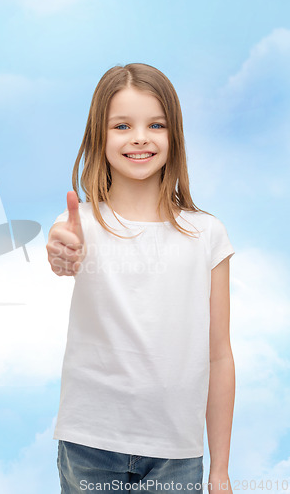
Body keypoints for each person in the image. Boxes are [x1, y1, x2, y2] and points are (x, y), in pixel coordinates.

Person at [46, 63, 236, 494]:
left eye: (156, 124)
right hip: (88, 443)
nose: (139, 137)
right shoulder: (80, 226)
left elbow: (219, 356)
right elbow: (62, 256)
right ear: (100, 135)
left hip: (176, 452)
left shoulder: (207, 234)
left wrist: (220, 471)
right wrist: (62, 254)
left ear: (175, 136)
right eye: (122, 125)